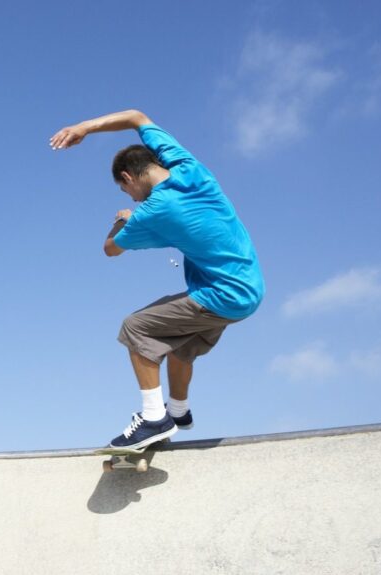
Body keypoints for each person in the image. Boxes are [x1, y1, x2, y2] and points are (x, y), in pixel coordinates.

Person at [49, 109, 265, 450]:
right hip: (249, 287)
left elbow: (110, 250)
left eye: (127, 192)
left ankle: (153, 419)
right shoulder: (190, 168)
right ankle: (178, 412)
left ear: (128, 177)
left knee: (135, 327)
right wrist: (84, 128)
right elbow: (136, 117)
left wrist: (123, 220)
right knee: (178, 347)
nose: (132, 199)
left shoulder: (153, 212)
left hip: (221, 296)